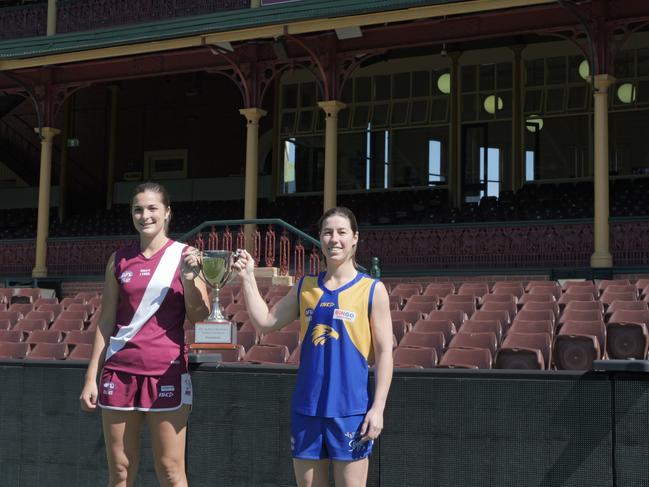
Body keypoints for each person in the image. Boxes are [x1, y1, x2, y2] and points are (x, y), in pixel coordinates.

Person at [232, 206, 393, 487]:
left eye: (342, 232)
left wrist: (377, 408)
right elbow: (264, 321)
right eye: (327, 232)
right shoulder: (305, 286)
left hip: (350, 412)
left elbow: (384, 354)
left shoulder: (372, 290)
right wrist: (247, 277)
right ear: (319, 238)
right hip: (307, 410)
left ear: (355, 238)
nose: (334, 239)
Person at [79, 182, 210, 487]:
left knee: (170, 472)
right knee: (121, 471)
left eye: (152, 208)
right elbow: (106, 320)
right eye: (138, 209)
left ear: (167, 213)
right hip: (118, 373)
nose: (145, 215)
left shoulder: (185, 256)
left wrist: (190, 280)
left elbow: (199, 315)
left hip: (166, 373)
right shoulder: (119, 259)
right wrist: (90, 377)